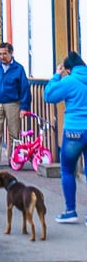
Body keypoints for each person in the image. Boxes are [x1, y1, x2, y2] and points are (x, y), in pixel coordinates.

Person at [44, 51, 87, 224]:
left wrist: (56, 75)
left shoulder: (68, 81)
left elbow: (49, 96)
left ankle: (70, 211)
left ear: (68, 69)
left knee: (67, 170)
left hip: (74, 132)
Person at [0, 42, 31, 168]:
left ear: (11, 53)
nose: (2, 56)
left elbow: (24, 88)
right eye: (0, 54)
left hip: (13, 103)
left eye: (5, 53)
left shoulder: (18, 69)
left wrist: (24, 107)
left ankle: (13, 158)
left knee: (14, 132)